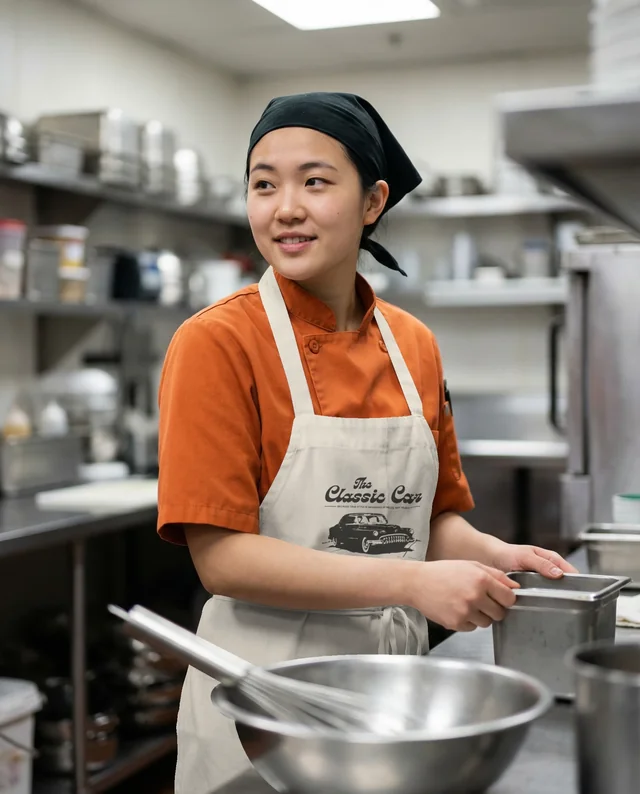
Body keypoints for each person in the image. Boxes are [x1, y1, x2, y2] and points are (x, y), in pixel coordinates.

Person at [157, 92, 577, 793]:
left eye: (315, 182)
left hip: (393, 693)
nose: (285, 208)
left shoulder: (414, 344)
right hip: (263, 705)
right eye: (264, 185)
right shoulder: (216, 342)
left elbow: (427, 523)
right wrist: (412, 583)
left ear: (373, 201)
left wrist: (494, 556)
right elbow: (222, 559)